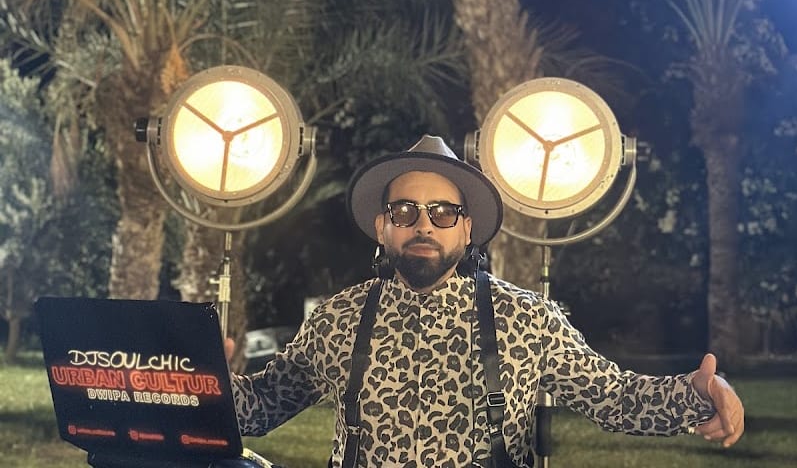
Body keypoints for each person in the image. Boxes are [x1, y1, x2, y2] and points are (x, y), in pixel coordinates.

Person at [229, 135, 744, 468]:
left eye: (442, 212)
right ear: (383, 226)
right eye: (405, 211)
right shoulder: (337, 319)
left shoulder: (526, 318)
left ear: (467, 229)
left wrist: (701, 392)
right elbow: (262, 406)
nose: (424, 224)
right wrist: (204, 375)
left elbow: (615, 398)